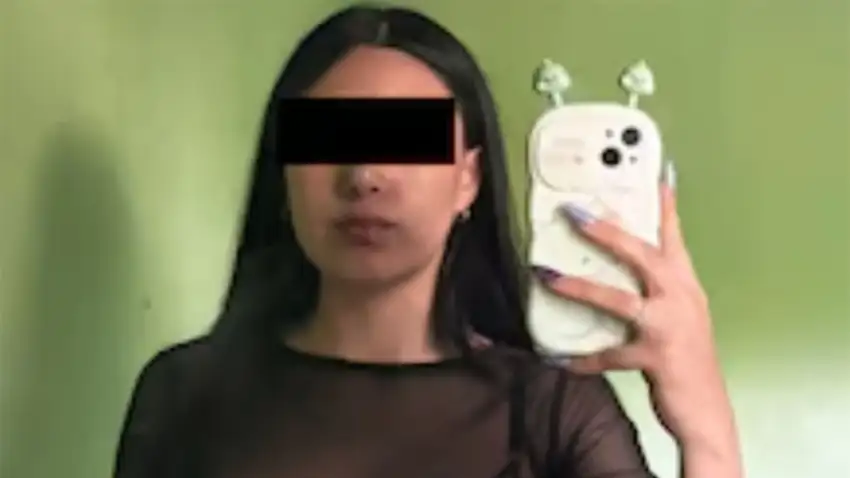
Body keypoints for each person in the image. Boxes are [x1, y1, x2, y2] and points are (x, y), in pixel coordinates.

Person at [113, 5, 742, 478]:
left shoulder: (551, 412)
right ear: (285, 172)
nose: (364, 176)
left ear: (469, 179)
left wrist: (707, 427)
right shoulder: (183, 396)